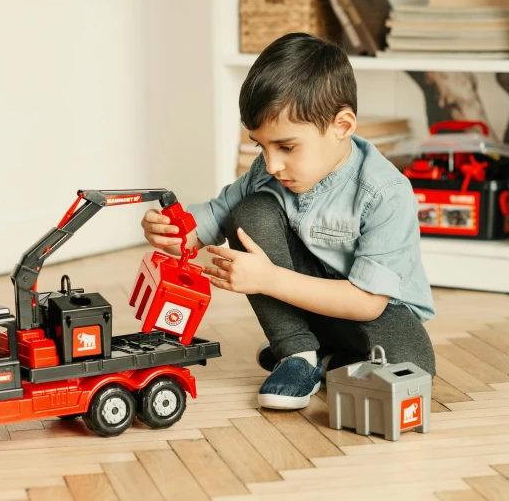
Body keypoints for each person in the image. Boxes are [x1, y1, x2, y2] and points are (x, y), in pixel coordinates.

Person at [141, 33, 436, 410]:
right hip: (304, 303)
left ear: (342, 126)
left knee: (414, 368)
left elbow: (368, 304)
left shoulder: (385, 193)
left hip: (371, 312)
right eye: (260, 146)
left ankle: (325, 356)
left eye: (286, 146)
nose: (272, 162)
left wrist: (269, 279)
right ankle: (296, 354)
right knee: (248, 213)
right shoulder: (268, 172)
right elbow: (208, 222)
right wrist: (170, 229)